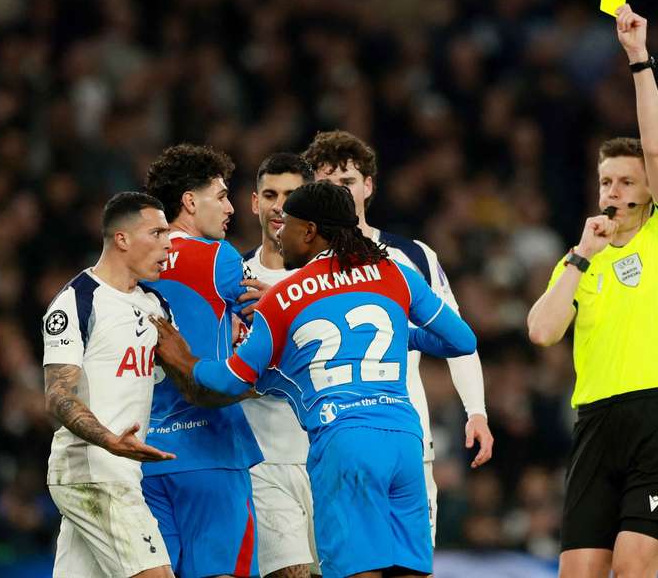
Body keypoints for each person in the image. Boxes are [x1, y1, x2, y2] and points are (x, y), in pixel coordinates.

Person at [151, 181, 477, 578]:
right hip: (405, 441)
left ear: (308, 231)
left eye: (286, 224)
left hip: (345, 442)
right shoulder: (395, 273)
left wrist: (185, 359)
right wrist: (402, 335)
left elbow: (232, 379)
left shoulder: (285, 297)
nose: (279, 234)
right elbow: (462, 340)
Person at [526, 5, 658, 578]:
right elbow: (542, 332)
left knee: (631, 565)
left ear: (649, 191)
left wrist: (638, 59)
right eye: (606, 181)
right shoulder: (578, 259)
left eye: (627, 181)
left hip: (657, 417)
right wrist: (580, 257)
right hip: (594, 423)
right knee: (578, 574)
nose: (615, 191)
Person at [302, 130, 493, 543]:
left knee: (412, 563)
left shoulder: (414, 256)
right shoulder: (297, 268)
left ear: (368, 186)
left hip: (408, 439)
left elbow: (459, 340)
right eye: (328, 184)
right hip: (329, 445)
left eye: (348, 182)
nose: (339, 193)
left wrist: (476, 411)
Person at [142, 144, 264, 578]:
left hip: (144, 454)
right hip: (210, 448)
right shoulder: (219, 257)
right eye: (222, 196)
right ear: (190, 202)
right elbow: (270, 328)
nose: (230, 208)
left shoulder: (133, 262)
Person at [43, 191, 175, 578]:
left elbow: (179, 380)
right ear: (122, 239)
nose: (168, 244)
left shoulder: (155, 306)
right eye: (157, 233)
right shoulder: (77, 302)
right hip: (93, 472)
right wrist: (109, 440)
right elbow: (57, 395)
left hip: (120, 473)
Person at [241, 152, 321, 578]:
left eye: (291, 195)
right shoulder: (231, 279)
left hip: (330, 456)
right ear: (255, 202)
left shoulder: (331, 279)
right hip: (265, 462)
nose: (279, 206)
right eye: (270, 195)